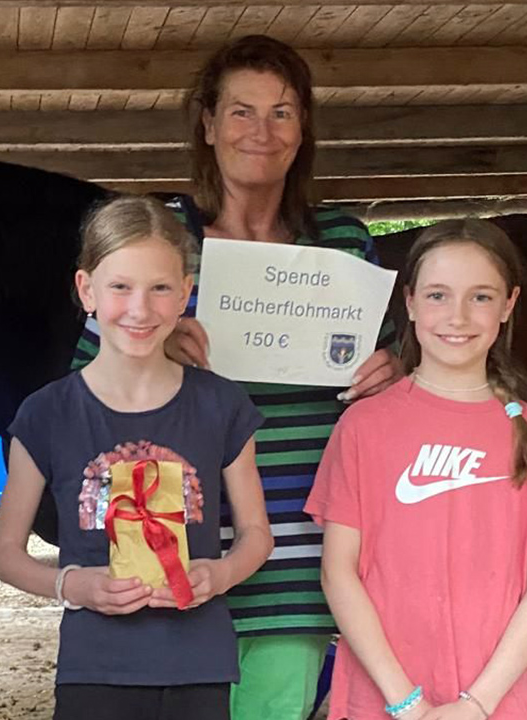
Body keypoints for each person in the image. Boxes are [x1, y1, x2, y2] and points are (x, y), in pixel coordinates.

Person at [71, 35, 402, 720]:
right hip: (173, 556)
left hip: (302, 564)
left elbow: (400, 401)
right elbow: (84, 393)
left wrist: (394, 373)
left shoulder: (344, 241)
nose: (262, 130)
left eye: (282, 112)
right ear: (209, 124)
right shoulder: (158, 239)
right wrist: (153, 351)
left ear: (303, 128)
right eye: (242, 111)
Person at [0, 195, 273, 720]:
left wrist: (223, 574)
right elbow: (4, 552)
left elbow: (258, 534)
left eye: (161, 288)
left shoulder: (222, 405)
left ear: (186, 292)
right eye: (120, 287)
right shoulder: (47, 414)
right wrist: (71, 584)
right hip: (94, 669)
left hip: (200, 665)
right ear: (86, 291)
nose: (140, 310)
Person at [304, 219, 527, 719]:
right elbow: (339, 572)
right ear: (409, 303)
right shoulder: (363, 427)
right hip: (381, 700)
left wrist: (476, 705)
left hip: (495, 703)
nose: (457, 316)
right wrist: (406, 703)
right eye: (438, 295)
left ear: (509, 304)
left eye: (480, 297)